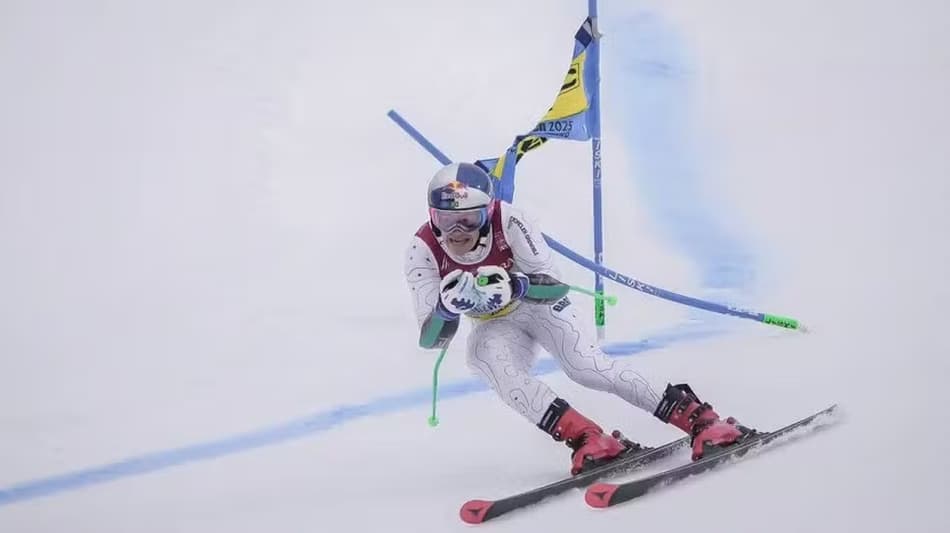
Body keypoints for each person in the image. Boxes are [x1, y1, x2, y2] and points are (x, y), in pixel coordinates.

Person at [404, 162, 745, 475]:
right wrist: (446, 309)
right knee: (484, 359)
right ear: (433, 217)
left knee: (585, 367)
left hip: (539, 306)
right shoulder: (422, 250)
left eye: (470, 219)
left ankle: (700, 419)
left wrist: (515, 285)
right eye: (447, 220)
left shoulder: (510, 220)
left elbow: (554, 287)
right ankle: (586, 437)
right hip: (495, 324)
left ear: (488, 211)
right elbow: (432, 339)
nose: (458, 231)